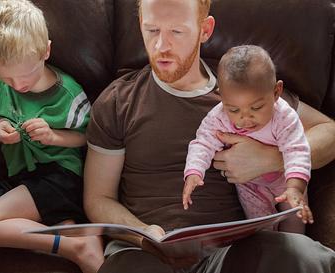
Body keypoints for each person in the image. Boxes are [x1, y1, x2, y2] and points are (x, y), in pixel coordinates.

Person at [84, 0, 335, 272]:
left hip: (229, 254)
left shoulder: (243, 88)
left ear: (205, 29)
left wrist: (272, 159)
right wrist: (143, 233)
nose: (161, 47)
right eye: (152, 30)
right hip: (144, 253)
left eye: (176, 32)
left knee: (300, 255)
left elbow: (329, 131)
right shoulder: (118, 100)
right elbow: (98, 198)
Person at [0, 1, 104, 272]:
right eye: (8, 79)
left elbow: (86, 139)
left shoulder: (69, 94)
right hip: (19, 177)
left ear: (45, 51)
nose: (18, 86)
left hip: (60, 175)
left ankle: (75, 247)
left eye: (26, 75)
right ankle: (66, 229)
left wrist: (53, 136)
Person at [183, 45, 313, 234]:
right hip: (251, 185)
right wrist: (194, 172)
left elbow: (297, 150)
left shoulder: (284, 117)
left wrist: (295, 187)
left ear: (276, 92)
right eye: (234, 110)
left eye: (257, 108)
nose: (245, 119)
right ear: (222, 96)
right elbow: (202, 143)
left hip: (286, 178)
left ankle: (294, 244)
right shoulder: (219, 116)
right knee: (261, 228)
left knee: (295, 221)